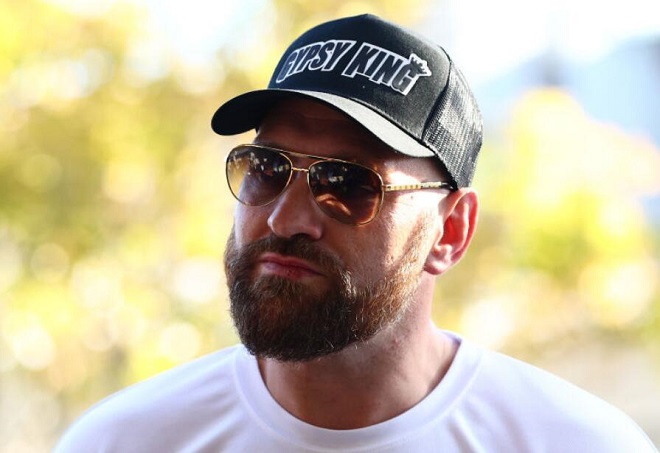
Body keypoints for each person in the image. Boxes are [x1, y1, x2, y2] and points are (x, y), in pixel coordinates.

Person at [55, 14, 657, 452]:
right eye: (267, 168)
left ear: (450, 231)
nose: (285, 219)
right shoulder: (125, 441)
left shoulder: (577, 443)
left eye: (348, 184)